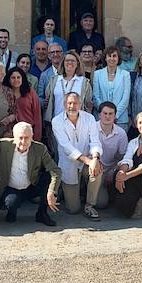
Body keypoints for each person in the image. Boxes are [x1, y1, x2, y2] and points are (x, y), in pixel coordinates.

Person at [0, 122, 61, 225]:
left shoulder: (39, 148)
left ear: (32, 137)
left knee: (47, 177)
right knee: (12, 203)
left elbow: (56, 171)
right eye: (20, 138)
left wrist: (52, 192)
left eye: (27, 138)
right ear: (14, 137)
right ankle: (11, 212)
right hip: (12, 188)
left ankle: (42, 214)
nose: (23, 142)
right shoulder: (3, 145)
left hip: (31, 185)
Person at [50, 92, 103, 220]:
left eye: (75, 103)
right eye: (69, 103)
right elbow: (67, 148)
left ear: (80, 104)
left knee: (98, 171)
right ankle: (71, 192)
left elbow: (95, 141)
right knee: (73, 209)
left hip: (87, 162)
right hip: (69, 165)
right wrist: (88, 161)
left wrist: (95, 158)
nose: (72, 106)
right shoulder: (56, 121)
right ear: (64, 105)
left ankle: (89, 205)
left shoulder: (89, 118)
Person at [94, 102, 129, 207]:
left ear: (115, 116)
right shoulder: (91, 129)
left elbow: (122, 157)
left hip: (110, 171)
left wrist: (113, 171)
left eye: (111, 114)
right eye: (105, 113)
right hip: (94, 170)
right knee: (101, 203)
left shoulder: (121, 133)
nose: (107, 116)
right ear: (99, 115)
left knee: (103, 203)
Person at [43, 50, 93, 121]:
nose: (70, 62)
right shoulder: (54, 80)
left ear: (77, 63)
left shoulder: (84, 82)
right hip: (56, 122)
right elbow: (48, 100)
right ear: (63, 63)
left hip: (78, 123)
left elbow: (88, 104)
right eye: (67, 60)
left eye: (72, 61)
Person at [93, 46, 131, 129]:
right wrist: (104, 114)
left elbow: (125, 98)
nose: (112, 58)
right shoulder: (97, 74)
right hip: (100, 119)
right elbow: (96, 97)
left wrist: (114, 115)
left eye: (114, 56)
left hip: (120, 119)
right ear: (105, 58)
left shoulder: (125, 75)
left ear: (118, 58)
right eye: (109, 56)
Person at [7, 63, 43, 137]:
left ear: (22, 78)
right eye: (13, 78)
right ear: (9, 79)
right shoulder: (4, 93)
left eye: (18, 77)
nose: (16, 80)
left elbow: (37, 116)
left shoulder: (31, 93)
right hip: (9, 133)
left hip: (28, 133)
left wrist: (37, 137)